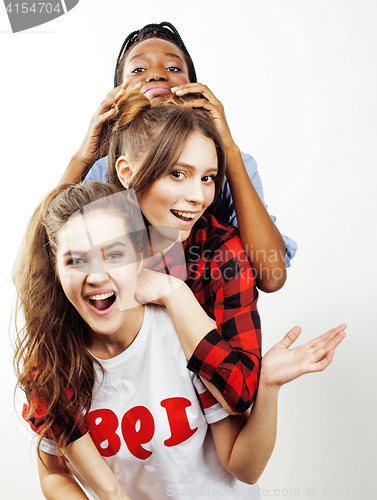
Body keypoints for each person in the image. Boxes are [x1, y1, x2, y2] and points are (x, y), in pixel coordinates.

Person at [15, 181, 346, 500]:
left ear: (142, 258)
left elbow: (244, 466)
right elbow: (54, 473)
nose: (97, 275)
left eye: (114, 255)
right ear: (55, 271)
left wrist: (268, 388)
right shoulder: (54, 359)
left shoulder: (182, 335)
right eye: (76, 260)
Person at [60, 21, 297, 293]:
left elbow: (271, 276)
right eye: (139, 69)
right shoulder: (105, 169)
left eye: (173, 68)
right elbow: (40, 266)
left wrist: (227, 147)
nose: (158, 75)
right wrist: (82, 157)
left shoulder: (235, 165)